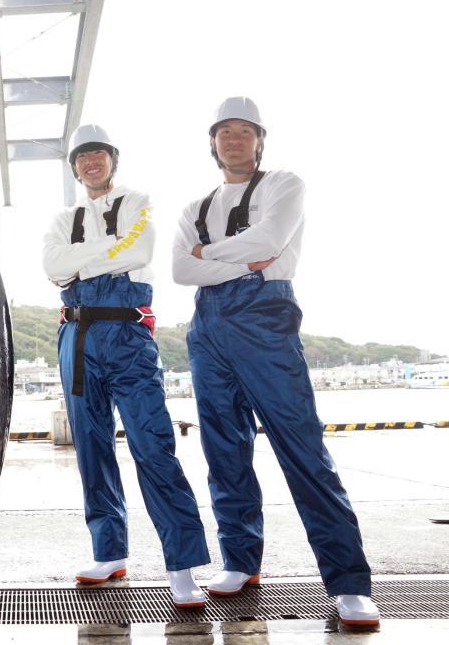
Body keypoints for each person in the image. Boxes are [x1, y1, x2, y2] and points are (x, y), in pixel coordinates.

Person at [171, 97, 379, 626]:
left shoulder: (284, 184)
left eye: (245, 131)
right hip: (207, 328)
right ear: (212, 141)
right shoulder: (194, 207)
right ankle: (240, 561)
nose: (234, 139)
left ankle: (349, 582)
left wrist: (207, 255)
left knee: (301, 447)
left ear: (260, 140)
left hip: (265, 320)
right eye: (225, 131)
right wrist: (236, 259)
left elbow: (269, 241)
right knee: (224, 448)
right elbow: (179, 272)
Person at [42, 124, 209, 608]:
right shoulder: (63, 217)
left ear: (113, 160)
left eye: (98, 154)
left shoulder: (138, 203)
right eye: (82, 156)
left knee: (153, 446)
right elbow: (52, 268)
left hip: (127, 334)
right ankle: (109, 552)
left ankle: (181, 565)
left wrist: (78, 263)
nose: (91, 162)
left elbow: (138, 251)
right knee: (91, 449)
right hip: (75, 336)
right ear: (74, 167)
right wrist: (95, 259)